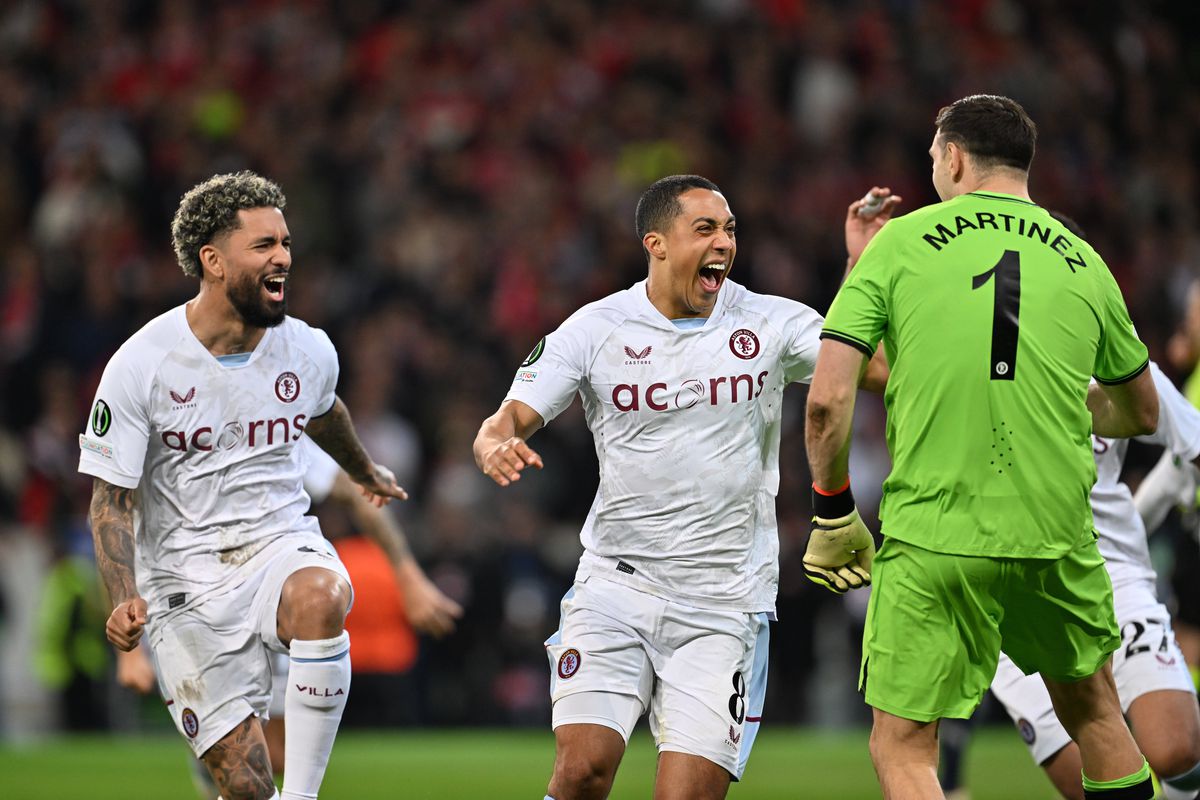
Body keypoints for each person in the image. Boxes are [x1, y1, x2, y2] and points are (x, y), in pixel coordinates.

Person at [472, 173, 890, 800]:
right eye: (705, 229)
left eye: (729, 230)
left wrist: (860, 266)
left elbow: (876, 370)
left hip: (725, 600)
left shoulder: (771, 323)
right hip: (617, 584)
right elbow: (506, 419)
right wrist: (493, 443)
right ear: (656, 243)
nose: (724, 241)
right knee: (582, 769)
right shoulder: (596, 328)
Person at [804, 94, 1160, 799]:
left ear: (955, 158)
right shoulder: (1085, 262)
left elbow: (830, 396)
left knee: (904, 748)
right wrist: (1076, 405)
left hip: (936, 534)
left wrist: (834, 511)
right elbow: (1140, 409)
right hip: (1054, 534)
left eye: (934, 155)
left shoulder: (901, 244)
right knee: (1095, 713)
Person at [80, 170, 406, 800]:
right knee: (246, 786)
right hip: (182, 583)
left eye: (284, 242)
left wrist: (364, 471)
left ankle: (304, 795)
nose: (283, 256)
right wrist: (122, 597)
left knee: (322, 595)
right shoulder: (141, 364)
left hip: (276, 543)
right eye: (263, 245)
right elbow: (110, 499)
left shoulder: (306, 349)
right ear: (213, 260)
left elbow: (324, 411)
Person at [117, 437, 462, 800]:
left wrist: (407, 574)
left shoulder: (267, 426)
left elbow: (352, 488)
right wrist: (129, 652)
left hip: (261, 591)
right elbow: (114, 522)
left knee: (274, 756)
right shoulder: (159, 432)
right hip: (185, 604)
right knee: (237, 763)